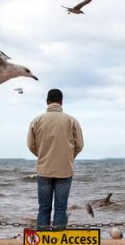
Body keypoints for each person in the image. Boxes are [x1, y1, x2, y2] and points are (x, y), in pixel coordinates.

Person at [27, 88, 84, 235]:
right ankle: (57, 242)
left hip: (44, 169)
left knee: (44, 208)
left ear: (47, 102)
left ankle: (43, 242)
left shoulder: (36, 120)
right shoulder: (71, 121)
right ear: (61, 102)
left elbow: (30, 145)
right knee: (60, 208)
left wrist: (42, 155)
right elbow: (79, 145)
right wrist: (68, 157)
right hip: (65, 169)